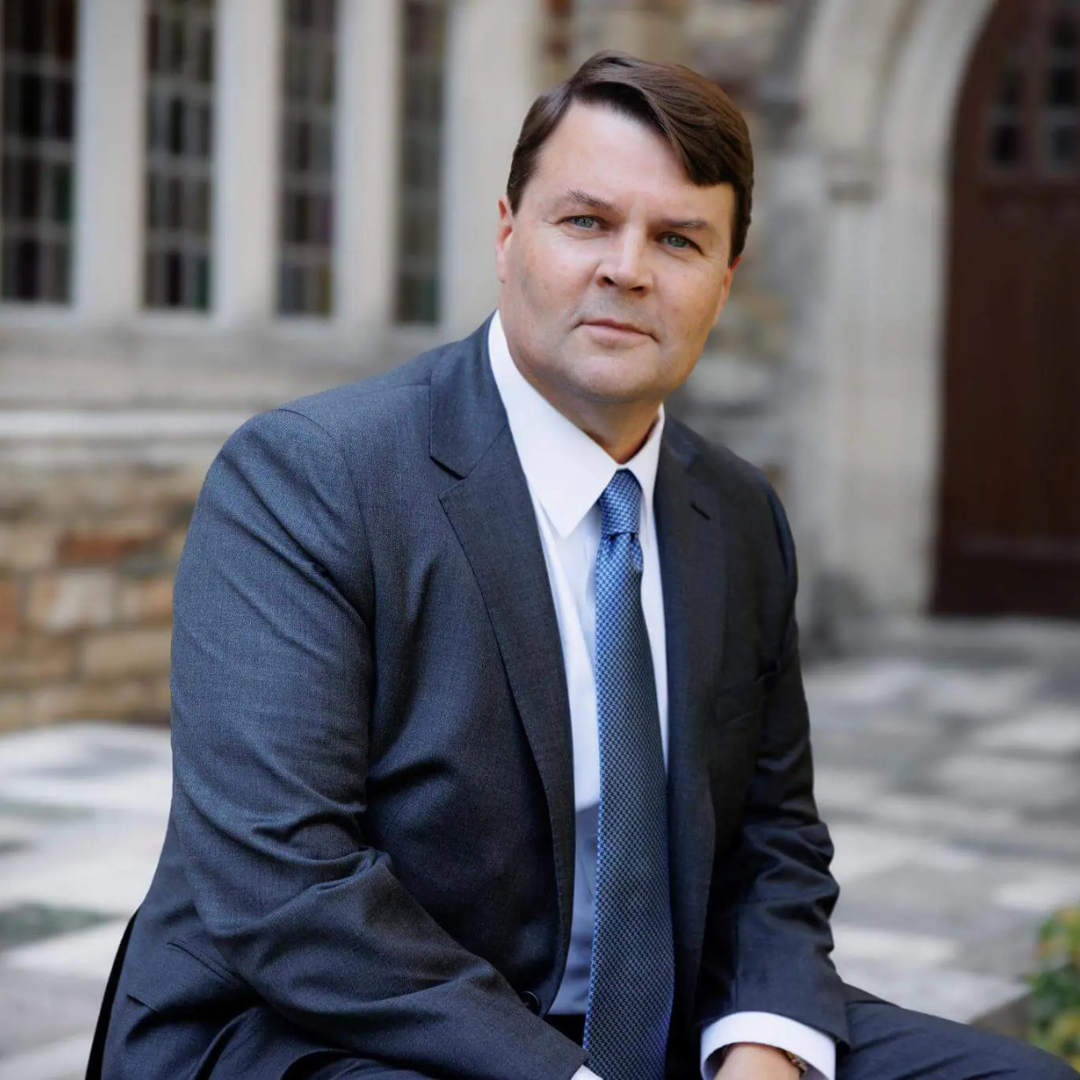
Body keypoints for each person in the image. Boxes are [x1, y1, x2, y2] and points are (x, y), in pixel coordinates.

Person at [89, 52, 1075, 1080]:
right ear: (507, 234)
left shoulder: (740, 516)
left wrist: (763, 1044)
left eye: (679, 239)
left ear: (726, 279)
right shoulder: (313, 477)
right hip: (324, 1024)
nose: (628, 268)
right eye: (586, 221)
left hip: (661, 1019)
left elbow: (772, 842)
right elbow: (286, 886)